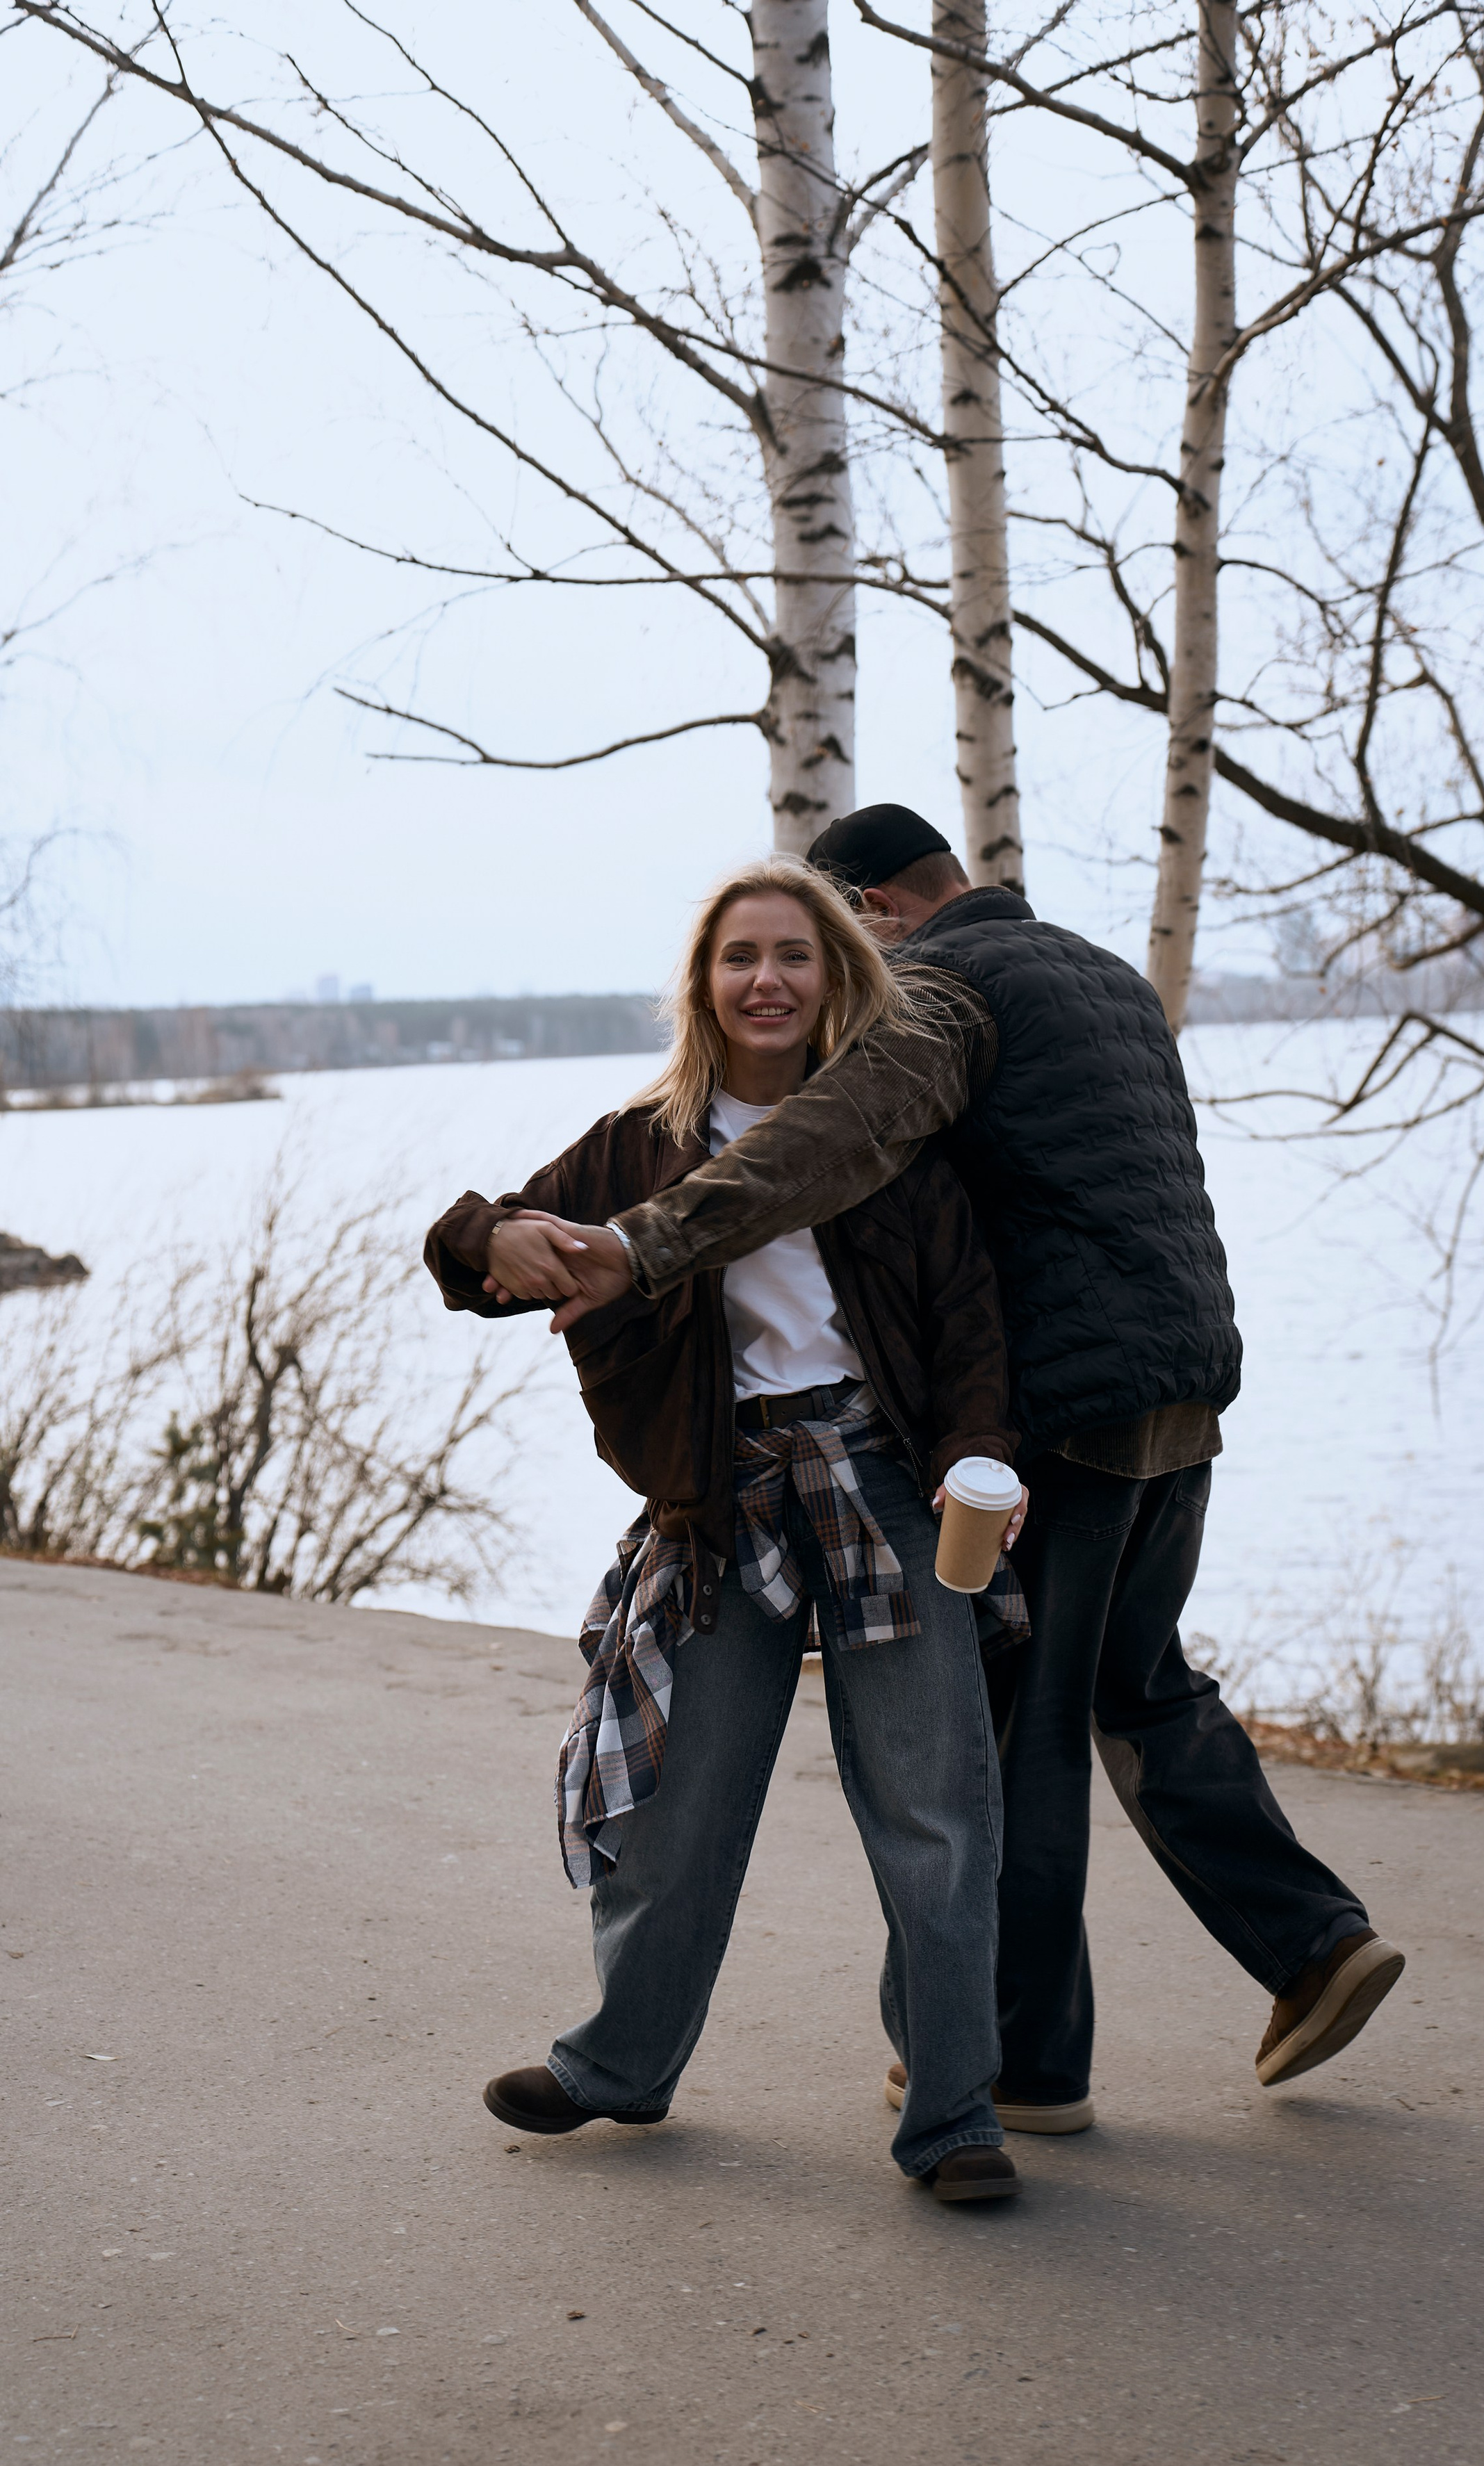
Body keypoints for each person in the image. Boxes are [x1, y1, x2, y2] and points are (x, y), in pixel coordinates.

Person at [521, 806, 1404, 2133]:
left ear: (871, 913)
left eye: (831, 942)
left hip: (1057, 1416)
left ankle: (1027, 2064)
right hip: (1180, 1394)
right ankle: (1317, 1944)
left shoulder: (940, 991)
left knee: (1016, 1738)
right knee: (1142, 1688)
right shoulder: (1100, 975)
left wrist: (649, 1244)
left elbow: (832, 1141)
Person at [423, 854, 1030, 2204]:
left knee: (936, 1817)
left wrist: (976, 1453)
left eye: (794, 955)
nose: (767, 979)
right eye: (739, 956)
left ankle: (953, 2121)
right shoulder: (636, 1145)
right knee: (677, 1810)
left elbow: (971, 1328)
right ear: (702, 983)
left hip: (883, 1490)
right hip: (717, 1502)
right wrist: (486, 1236)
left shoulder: (883, 1132)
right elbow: (477, 1257)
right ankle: (617, 2066)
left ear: (836, 975)